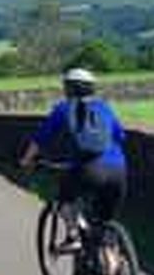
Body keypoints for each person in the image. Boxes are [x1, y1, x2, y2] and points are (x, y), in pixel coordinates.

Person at [19, 66, 128, 244]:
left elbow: (40, 139)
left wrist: (26, 160)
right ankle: (111, 259)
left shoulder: (63, 109)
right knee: (104, 226)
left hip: (89, 170)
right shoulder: (104, 108)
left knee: (65, 202)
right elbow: (121, 136)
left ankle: (73, 235)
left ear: (69, 88)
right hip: (118, 170)